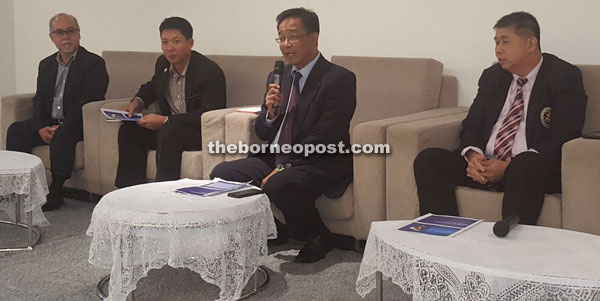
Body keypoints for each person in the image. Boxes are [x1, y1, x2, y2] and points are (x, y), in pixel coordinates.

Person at [210, 8, 357, 263]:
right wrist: (268, 112)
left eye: (293, 37)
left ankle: (318, 236)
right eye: (281, 38)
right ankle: (276, 229)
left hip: (319, 158)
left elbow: (329, 133)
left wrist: (286, 165)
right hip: (275, 155)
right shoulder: (279, 77)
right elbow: (263, 132)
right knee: (223, 173)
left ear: (314, 38)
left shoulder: (338, 78)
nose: (286, 45)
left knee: (281, 182)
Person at [414, 11, 587, 225]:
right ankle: (443, 238)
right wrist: (473, 156)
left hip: (531, 169)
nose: (498, 50)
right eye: (496, 42)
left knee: (525, 164)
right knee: (429, 160)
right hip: (486, 163)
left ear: (531, 44)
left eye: (505, 42)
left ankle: (509, 246)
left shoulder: (563, 77)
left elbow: (565, 134)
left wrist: (508, 167)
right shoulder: (492, 76)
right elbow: (472, 124)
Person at [6, 13, 109, 211]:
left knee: (64, 134)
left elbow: (90, 101)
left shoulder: (94, 63)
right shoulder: (46, 65)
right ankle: (17, 189)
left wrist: (61, 127)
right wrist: (41, 127)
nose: (66, 37)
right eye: (59, 32)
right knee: (16, 130)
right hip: (50, 122)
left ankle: (56, 190)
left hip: (78, 124)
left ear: (79, 34)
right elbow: (40, 101)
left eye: (70, 31)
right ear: (52, 37)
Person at [114, 17, 226, 188]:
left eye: (176, 41)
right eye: (164, 42)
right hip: (170, 130)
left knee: (169, 130)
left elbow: (208, 114)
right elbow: (152, 86)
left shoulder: (209, 71)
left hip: (198, 132)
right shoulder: (163, 63)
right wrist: (136, 102)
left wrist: (166, 120)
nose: (169, 48)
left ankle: (163, 195)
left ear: (190, 43)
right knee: (130, 130)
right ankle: (130, 192)